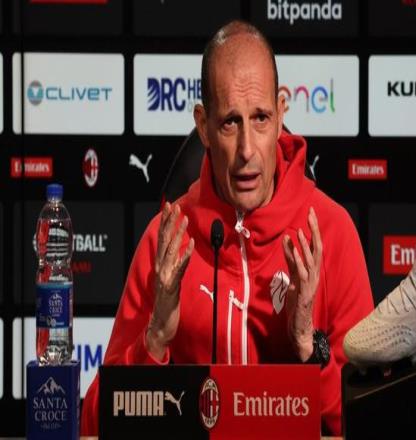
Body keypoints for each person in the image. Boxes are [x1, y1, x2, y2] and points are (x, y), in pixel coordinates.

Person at [81, 20, 373, 436]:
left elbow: (367, 419)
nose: (247, 150)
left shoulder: (331, 232)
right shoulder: (166, 240)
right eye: (230, 123)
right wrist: (155, 339)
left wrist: (308, 346)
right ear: (203, 126)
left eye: (261, 118)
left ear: (281, 114)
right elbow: (93, 424)